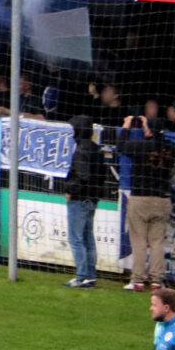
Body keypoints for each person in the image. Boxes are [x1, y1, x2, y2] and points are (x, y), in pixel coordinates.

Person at [116, 115, 175, 290]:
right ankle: (157, 280)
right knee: (157, 241)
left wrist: (127, 126)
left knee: (139, 241)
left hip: (141, 198)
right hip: (162, 199)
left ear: (148, 129)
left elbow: (121, 146)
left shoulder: (141, 145)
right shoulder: (170, 148)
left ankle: (138, 279)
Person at [64, 115, 105, 288]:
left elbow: (82, 176)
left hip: (80, 199)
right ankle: (90, 275)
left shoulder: (81, 150)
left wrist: (70, 190)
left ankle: (81, 276)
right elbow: (102, 175)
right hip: (92, 199)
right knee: (88, 238)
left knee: (76, 238)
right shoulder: (97, 149)